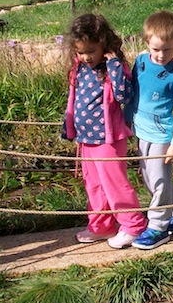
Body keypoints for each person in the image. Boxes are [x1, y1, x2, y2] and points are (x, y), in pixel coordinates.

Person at [63, 13, 147, 249]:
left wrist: (114, 66)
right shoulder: (79, 68)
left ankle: (133, 225)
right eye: (81, 51)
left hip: (107, 138)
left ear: (104, 44)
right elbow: (74, 99)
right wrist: (69, 127)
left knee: (115, 184)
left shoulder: (113, 68)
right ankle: (103, 225)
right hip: (86, 139)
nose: (86, 56)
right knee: (95, 185)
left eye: (91, 50)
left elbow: (123, 95)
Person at [125, 10, 173, 249]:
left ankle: (158, 227)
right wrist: (126, 121)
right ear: (146, 42)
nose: (160, 55)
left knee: (158, 182)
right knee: (150, 180)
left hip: (162, 135)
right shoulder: (141, 62)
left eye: (167, 49)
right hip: (141, 131)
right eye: (155, 49)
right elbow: (134, 94)